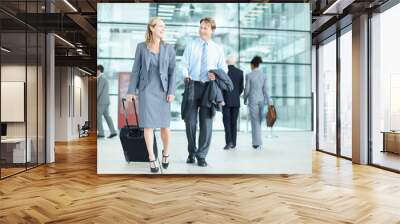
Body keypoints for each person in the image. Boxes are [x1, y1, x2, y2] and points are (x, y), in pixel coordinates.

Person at [126, 17, 176, 173]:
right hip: (146, 91)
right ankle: (152, 157)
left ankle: (166, 153)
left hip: (163, 91)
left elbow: (173, 72)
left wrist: (171, 91)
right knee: (148, 126)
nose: (163, 28)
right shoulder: (141, 47)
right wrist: (131, 91)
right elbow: (135, 70)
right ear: (152, 28)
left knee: (165, 127)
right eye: (160, 26)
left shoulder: (169, 48)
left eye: (164, 26)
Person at [181, 17, 229, 167]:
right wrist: (186, 74)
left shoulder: (217, 49)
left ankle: (201, 155)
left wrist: (216, 75)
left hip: (209, 88)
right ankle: (191, 152)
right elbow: (184, 64)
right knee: (190, 121)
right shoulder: (191, 46)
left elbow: (224, 69)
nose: (202, 30)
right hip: (193, 85)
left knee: (206, 123)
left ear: (212, 30)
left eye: (205, 28)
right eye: (200, 27)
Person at [243, 56, 272, 149]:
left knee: (255, 121)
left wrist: (244, 99)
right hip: (261, 100)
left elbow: (247, 89)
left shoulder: (249, 75)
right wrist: (269, 101)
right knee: (259, 121)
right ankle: (258, 142)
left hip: (253, 100)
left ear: (252, 65)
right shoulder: (264, 75)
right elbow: (266, 90)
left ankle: (257, 143)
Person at [222, 54, 244, 150]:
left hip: (225, 100)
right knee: (233, 122)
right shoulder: (240, 72)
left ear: (226, 62)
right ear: (235, 62)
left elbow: (221, 87)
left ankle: (228, 142)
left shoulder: (223, 72)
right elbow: (241, 88)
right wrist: (235, 95)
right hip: (236, 101)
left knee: (227, 122)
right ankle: (234, 143)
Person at [97, 64, 117, 139]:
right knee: (107, 116)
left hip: (101, 101)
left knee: (98, 116)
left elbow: (98, 91)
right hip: (105, 101)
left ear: (99, 70)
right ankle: (113, 132)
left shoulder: (101, 79)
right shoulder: (103, 78)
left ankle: (101, 133)